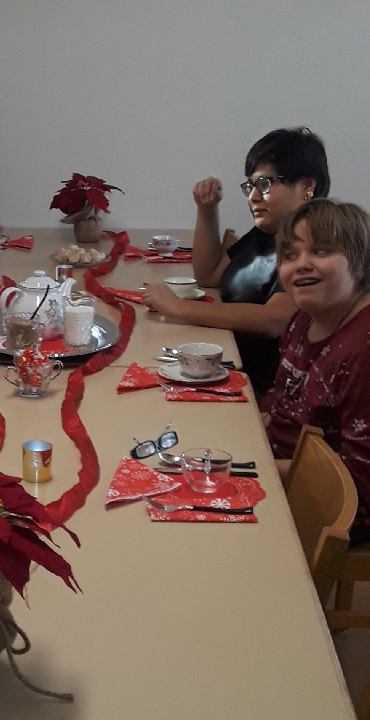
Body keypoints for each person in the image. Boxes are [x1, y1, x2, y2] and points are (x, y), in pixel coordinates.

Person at [143, 127, 330, 395]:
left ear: (307, 186)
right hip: (231, 362)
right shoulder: (265, 233)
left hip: (267, 389)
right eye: (251, 186)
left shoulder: (314, 246)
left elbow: (273, 320)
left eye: (265, 184)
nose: (253, 196)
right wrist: (207, 210)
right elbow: (209, 275)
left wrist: (178, 307)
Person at [260, 199, 370, 545]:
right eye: (289, 256)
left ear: (361, 263)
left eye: (321, 251)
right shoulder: (303, 319)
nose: (301, 265)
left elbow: (355, 480)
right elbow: (279, 397)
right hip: (280, 465)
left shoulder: (363, 348)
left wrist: (252, 466)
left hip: (333, 505)